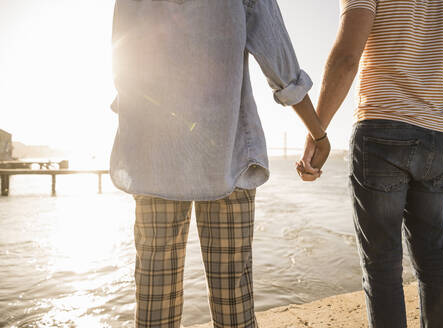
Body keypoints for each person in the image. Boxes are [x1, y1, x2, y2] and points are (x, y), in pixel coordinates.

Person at [110, 1, 329, 327]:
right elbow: (281, 62)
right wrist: (318, 133)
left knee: (155, 296)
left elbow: (123, 58)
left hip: (154, 156)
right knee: (233, 300)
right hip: (228, 154)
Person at [298, 0, 443, 327]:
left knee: (382, 269)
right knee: (434, 260)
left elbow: (347, 58)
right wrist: (428, 114)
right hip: (436, 135)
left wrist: (317, 132)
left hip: (380, 129)